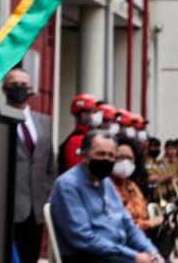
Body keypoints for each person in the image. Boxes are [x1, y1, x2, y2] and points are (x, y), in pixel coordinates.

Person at [49, 130, 162, 262]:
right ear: (84, 156)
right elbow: (83, 238)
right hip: (87, 255)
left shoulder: (105, 182)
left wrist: (151, 251)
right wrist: (134, 256)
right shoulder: (68, 185)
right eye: (100, 154)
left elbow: (128, 225)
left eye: (111, 155)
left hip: (116, 251)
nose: (106, 160)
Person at [4, 67, 56, 263]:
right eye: (14, 85)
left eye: (23, 85)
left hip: (36, 209)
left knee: (30, 257)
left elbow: (50, 165)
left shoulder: (44, 122)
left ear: (31, 89)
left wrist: (46, 195)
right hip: (9, 207)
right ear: (5, 89)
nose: (19, 88)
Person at [111, 136, 163, 233]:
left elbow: (144, 212)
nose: (125, 162)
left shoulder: (132, 186)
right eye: (120, 157)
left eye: (129, 158)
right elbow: (119, 224)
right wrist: (149, 224)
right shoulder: (106, 187)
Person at [58, 93, 102, 171]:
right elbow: (76, 171)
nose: (98, 115)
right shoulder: (78, 139)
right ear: (84, 115)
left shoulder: (86, 136)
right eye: (94, 112)